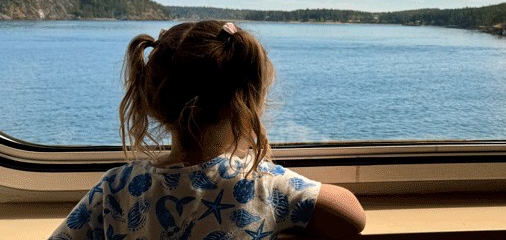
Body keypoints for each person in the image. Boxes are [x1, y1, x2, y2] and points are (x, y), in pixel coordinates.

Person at [51, 20, 366, 239]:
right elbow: (351, 216)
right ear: (245, 106)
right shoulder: (260, 185)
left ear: (150, 101)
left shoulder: (117, 187)